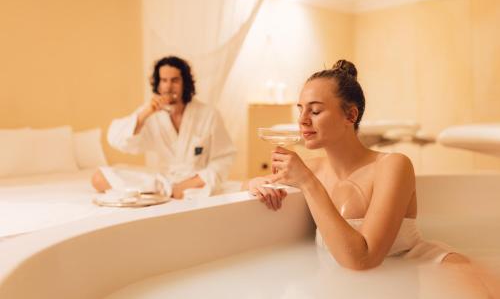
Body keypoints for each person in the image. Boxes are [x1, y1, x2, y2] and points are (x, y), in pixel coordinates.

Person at [246, 60, 499, 283]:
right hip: (349, 281)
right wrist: (256, 183)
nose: (302, 120)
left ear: (350, 115)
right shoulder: (312, 168)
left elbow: (363, 259)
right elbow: (246, 189)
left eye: (315, 110)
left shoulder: (393, 166)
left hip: (424, 271)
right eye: (299, 109)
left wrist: (308, 183)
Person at [92, 56, 236, 199]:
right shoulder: (150, 113)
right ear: (158, 84)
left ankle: (170, 191)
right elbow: (117, 140)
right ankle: (167, 190)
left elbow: (223, 158)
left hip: (197, 183)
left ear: (185, 83)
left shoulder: (208, 114)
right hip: (164, 182)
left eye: (174, 80)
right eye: (164, 80)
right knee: (99, 177)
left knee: (244, 187)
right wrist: (146, 113)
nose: (168, 86)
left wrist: (188, 184)